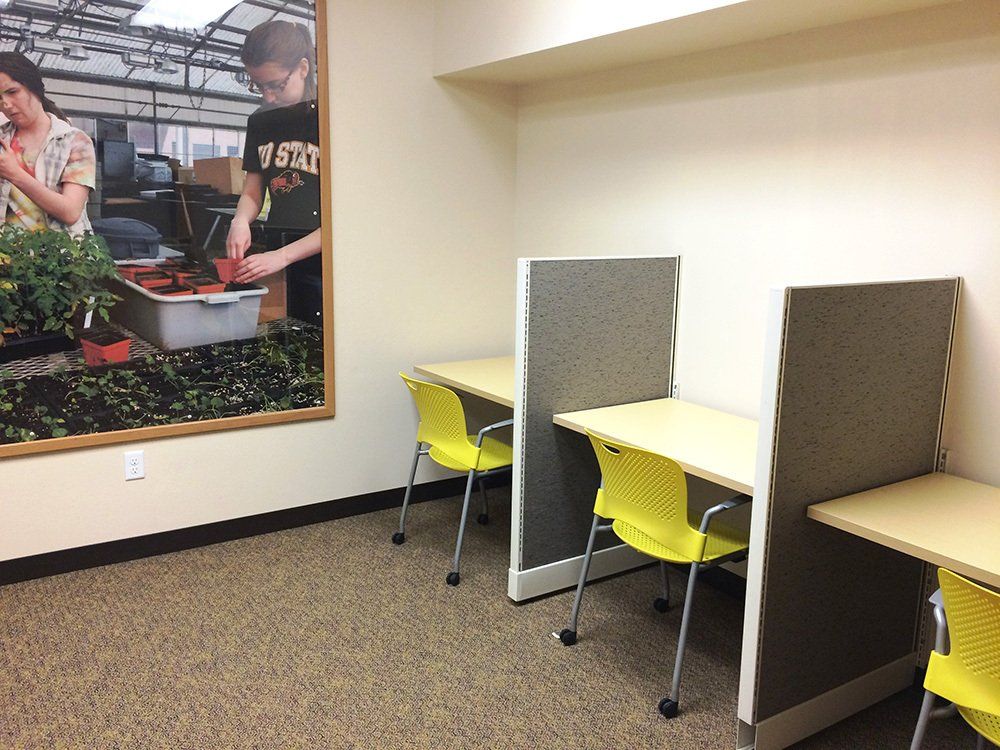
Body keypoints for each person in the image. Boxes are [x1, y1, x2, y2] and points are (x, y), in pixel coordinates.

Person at [227, 20, 323, 324]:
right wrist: (240, 219)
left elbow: (345, 218)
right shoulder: (261, 121)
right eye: (259, 86)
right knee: (284, 333)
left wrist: (281, 257)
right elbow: (253, 191)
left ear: (303, 68)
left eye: (277, 85)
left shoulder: (330, 115)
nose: (268, 96)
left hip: (323, 259)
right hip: (278, 251)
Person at [0, 52, 95, 235]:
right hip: (8, 258)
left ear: (34, 87)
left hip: (60, 256)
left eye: (12, 92)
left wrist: (14, 173)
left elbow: (70, 212)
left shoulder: (74, 142)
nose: (6, 104)